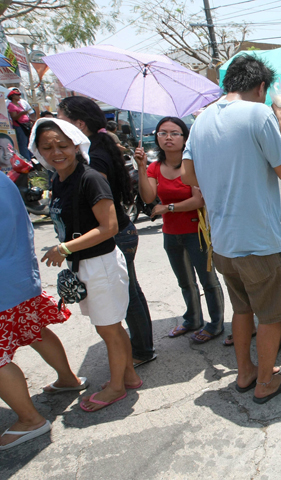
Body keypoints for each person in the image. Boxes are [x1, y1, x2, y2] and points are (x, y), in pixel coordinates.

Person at [181, 54, 281, 404]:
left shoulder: (200, 121)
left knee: (242, 310)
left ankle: (245, 372)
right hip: (259, 242)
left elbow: (188, 175)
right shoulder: (259, 113)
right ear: (260, 87)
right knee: (271, 315)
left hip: (224, 244)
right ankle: (265, 382)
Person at [32, 118, 142, 412]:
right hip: (85, 264)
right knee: (110, 328)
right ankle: (129, 375)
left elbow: (109, 226)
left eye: (62, 145)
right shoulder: (58, 179)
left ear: (76, 144)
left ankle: (117, 387)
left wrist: (65, 247)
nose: (56, 152)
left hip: (101, 264)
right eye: (47, 147)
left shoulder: (89, 178)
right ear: (38, 150)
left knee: (108, 330)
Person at [57, 96, 156, 367]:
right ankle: (141, 347)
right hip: (123, 231)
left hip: (116, 235)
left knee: (128, 294)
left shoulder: (94, 160)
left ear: (79, 124)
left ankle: (142, 350)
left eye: (61, 119)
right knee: (130, 291)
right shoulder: (100, 147)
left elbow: (101, 206)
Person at [0, 171, 86, 450]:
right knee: (34, 331)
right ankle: (68, 378)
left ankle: (29, 419)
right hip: (19, 274)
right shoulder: (3, 179)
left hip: (4, 284)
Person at [134, 117, 225, 344]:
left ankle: (215, 324)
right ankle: (192, 319)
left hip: (197, 233)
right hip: (171, 234)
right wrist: (142, 167)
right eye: (163, 133)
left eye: (175, 133)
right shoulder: (155, 167)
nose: (168, 137)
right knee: (185, 282)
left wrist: (168, 207)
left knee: (208, 281)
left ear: (185, 138)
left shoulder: (192, 164)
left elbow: (198, 201)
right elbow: (147, 197)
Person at [7, 88, 33, 161]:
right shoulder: (11, 105)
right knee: (23, 144)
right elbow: (14, 117)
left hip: (26, 125)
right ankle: (26, 160)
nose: (19, 96)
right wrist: (21, 113)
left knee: (28, 143)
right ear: (12, 97)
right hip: (19, 126)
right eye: (17, 95)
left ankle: (31, 158)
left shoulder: (20, 104)